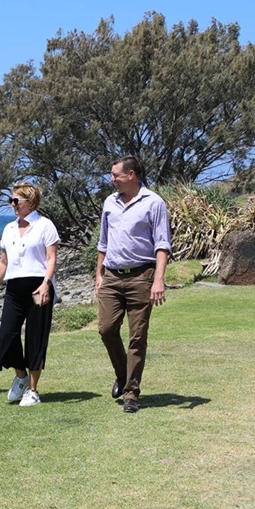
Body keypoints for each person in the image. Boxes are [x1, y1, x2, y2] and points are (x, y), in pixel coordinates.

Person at [94, 155, 172, 414]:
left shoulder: (154, 203)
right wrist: (99, 273)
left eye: (116, 175)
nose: (112, 179)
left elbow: (162, 244)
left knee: (137, 337)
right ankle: (122, 375)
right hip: (112, 277)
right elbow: (103, 242)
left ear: (132, 175)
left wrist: (158, 279)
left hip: (142, 276)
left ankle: (131, 393)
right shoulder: (109, 202)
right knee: (106, 329)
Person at [0, 183, 60, 407]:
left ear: (30, 202)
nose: (13, 205)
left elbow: (51, 259)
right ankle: (21, 376)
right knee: (6, 337)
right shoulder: (8, 228)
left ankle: (33, 390)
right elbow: (3, 261)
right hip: (14, 288)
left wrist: (46, 284)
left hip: (38, 287)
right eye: (12, 201)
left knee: (35, 339)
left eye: (16, 201)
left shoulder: (45, 225)